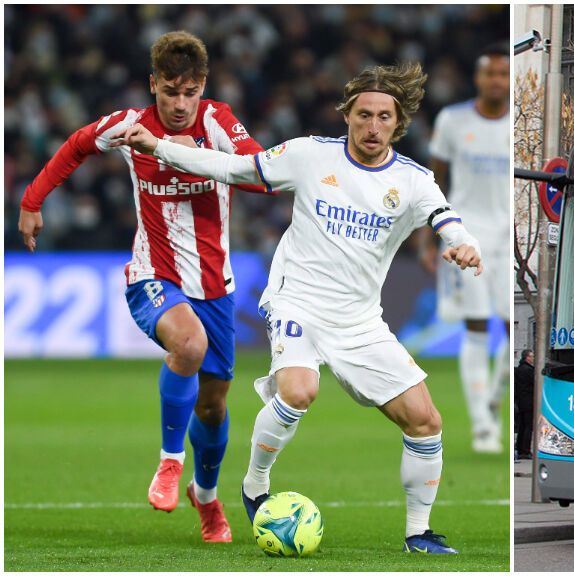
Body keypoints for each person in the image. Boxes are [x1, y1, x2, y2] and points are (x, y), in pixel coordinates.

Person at [114, 62, 482, 555]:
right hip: (296, 301)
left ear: (399, 123)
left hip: (359, 320)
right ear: (347, 115)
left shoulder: (413, 181)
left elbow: (447, 219)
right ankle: (255, 483)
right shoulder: (310, 155)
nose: (372, 126)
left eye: (383, 118)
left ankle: (419, 532)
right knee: (299, 389)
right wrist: (161, 148)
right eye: (364, 114)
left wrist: (462, 244)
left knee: (426, 420)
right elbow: (236, 168)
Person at [17, 31, 266, 543]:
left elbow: (261, 174)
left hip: (215, 285)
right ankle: (169, 461)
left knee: (214, 406)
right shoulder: (130, 126)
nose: (179, 104)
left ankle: (206, 495)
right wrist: (32, 200)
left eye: (189, 92)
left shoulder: (218, 122)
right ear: (153, 85)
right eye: (170, 91)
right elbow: (77, 145)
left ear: (203, 88)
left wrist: (191, 153)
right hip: (153, 274)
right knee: (188, 345)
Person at [420, 43, 510, 454]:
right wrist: (427, 237)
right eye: (490, 73)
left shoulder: (519, 123)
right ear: (479, 78)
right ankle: (482, 425)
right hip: (465, 233)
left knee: (515, 329)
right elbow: (433, 182)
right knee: (476, 325)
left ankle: (494, 397)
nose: (497, 80)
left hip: (510, 237)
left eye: (503, 74)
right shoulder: (453, 121)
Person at [514, 349, 535, 459]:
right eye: (531, 356)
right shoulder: (529, 370)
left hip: (521, 401)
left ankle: (519, 447)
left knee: (522, 426)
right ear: (527, 357)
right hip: (528, 401)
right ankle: (525, 450)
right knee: (528, 426)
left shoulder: (519, 369)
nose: (533, 358)